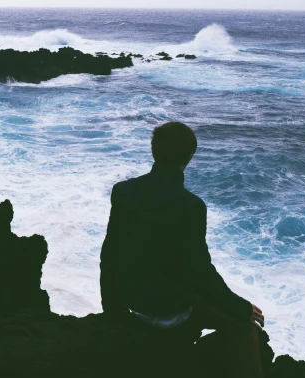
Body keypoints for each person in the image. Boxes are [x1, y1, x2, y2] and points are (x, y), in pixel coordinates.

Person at [100, 122, 265, 378]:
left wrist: (111, 311)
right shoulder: (191, 206)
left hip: (132, 305)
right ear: (189, 157)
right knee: (244, 326)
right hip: (172, 312)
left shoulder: (123, 192)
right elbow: (201, 272)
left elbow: (109, 255)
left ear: (153, 151)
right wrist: (242, 307)